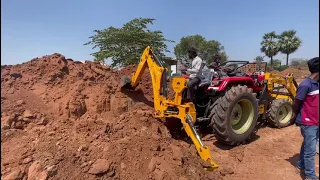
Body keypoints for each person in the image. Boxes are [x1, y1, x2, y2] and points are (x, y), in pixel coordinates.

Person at [293, 57, 319, 180]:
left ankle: (301, 165)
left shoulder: (317, 84)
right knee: (310, 150)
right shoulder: (305, 85)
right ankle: (310, 176)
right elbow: (296, 103)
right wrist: (298, 118)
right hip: (308, 123)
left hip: (316, 121)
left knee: (307, 145)